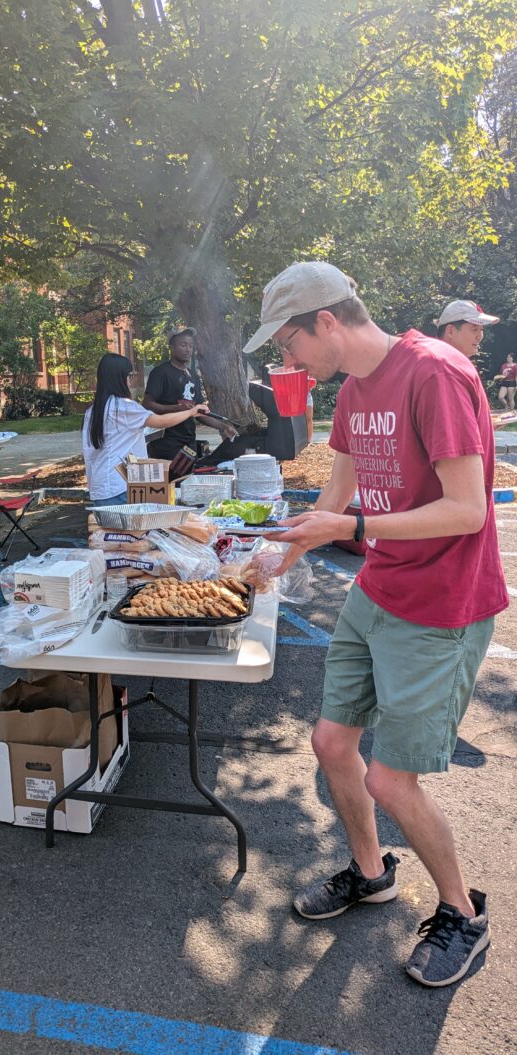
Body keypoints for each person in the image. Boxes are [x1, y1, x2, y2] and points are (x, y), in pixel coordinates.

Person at [246, 260, 508, 987]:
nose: (289, 360)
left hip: (443, 603)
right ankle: (372, 873)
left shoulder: (436, 373)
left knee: (392, 780)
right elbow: (337, 490)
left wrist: (352, 522)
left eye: (291, 343)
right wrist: (283, 547)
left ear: (326, 321)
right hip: (380, 587)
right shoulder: (356, 389)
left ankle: (463, 912)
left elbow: (468, 510)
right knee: (331, 741)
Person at [83, 352, 209, 504]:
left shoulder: (93, 409)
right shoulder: (124, 407)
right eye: (130, 375)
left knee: (110, 528)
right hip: (120, 486)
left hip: (100, 486)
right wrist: (191, 412)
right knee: (131, 528)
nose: (131, 380)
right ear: (123, 378)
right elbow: (160, 421)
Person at [143, 328, 236, 460]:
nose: (188, 349)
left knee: (186, 478)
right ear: (172, 347)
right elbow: (147, 404)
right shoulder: (160, 372)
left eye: (191, 346)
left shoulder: (193, 376)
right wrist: (177, 408)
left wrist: (223, 426)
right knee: (172, 479)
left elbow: (199, 413)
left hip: (189, 442)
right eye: (183, 345)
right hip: (166, 443)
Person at [434, 299, 499, 360]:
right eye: (474, 329)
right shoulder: (434, 366)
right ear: (450, 331)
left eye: (481, 330)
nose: (479, 337)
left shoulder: (452, 364)